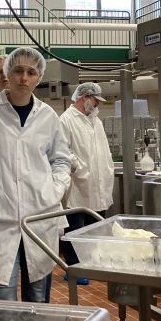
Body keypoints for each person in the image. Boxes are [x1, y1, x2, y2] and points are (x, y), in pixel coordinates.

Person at [0, 47, 71, 302]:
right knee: (3, 297)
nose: (24, 77)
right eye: (18, 70)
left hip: (39, 218)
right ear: (8, 73)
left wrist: (53, 191)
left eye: (31, 72)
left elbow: (61, 160)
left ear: (38, 78)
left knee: (38, 298)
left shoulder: (48, 116)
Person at [59, 82, 114, 285]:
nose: (97, 106)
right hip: (78, 184)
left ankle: (91, 264)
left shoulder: (95, 121)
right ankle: (73, 267)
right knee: (76, 226)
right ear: (85, 98)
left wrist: (105, 169)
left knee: (95, 226)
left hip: (98, 182)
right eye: (95, 101)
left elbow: (102, 150)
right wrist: (81, 168)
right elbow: (64, 150)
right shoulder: (66, 120)